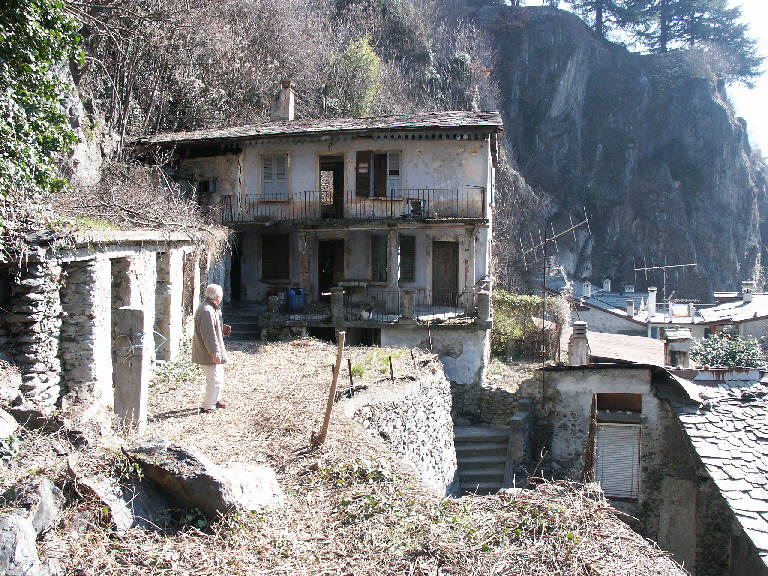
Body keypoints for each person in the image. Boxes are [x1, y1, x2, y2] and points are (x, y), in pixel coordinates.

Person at [192, 283, 231, 413]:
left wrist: (222, 328)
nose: (221, 299)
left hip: (212, 350)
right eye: (220, 296)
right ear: (217, 297)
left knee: (219, 376)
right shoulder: (206, 310)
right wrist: (214, 352)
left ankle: (215, 399)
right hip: (207, 352)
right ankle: (207, 404)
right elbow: (208, 334)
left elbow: (212, 328)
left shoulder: (211, 308)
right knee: (213, 379)